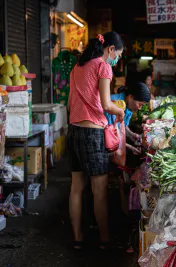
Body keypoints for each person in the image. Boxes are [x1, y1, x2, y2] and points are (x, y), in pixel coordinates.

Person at [67, 31, 125, 250]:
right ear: (110, 49)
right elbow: (106, 104)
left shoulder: (76, 68)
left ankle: (77, 238)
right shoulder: (103, 67)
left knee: (76, 188)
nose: (116, 60)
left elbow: (71, 105)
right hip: (92, 134)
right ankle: (105, 240)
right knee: (99, 191)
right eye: (117, 55)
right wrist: (119, 113)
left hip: (73, 132)